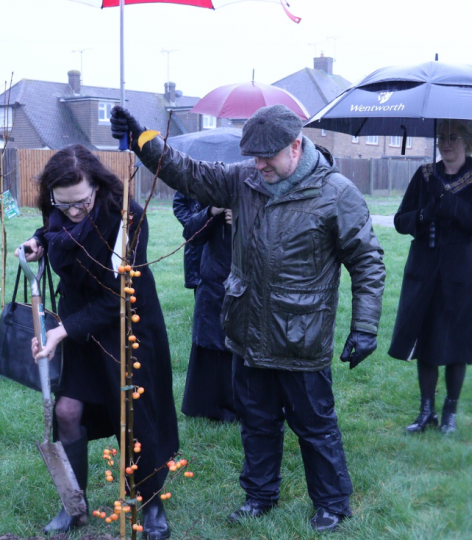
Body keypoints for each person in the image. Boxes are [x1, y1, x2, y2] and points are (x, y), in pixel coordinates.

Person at [111, 104, 385, 532]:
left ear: (296, 146)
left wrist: (365, 326)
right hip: (248, 332)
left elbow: (367, 260)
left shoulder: (336, 192)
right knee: (256, 422)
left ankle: (332, 504)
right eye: (253, 158)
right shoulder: (245, 180)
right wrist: (145, 141)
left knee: (315, 426)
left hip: (302, 338)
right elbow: (189, 173)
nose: (258, 166)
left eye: (267, 157)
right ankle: (259, 497)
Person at [16, 145, 179, 539]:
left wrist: (61, 331)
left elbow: (119, 295)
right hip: (77, 324)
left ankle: (151, 502)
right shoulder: (58, 205)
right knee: (68, 411)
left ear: (97, 186)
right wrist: (39, 241)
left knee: (135, 416)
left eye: (81, 203)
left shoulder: (127, 216)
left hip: (126, 324)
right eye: (63, 204)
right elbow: (57, 229)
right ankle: (73, 505)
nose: (73, 211)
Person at [388, 119, 472, 435]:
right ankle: (426, 412)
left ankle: (449, 412)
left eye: (453, 137)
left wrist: (448, 203)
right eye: (442, 137)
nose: (446, 143)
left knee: (455, 343)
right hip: (423, 269)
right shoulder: (424, 176)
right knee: (427, 340)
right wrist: (425, 214)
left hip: (459, 271)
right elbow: (400, 221)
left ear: (468, 141)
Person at [177, 196, 238, 422]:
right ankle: (208, 406)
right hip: (213, 276)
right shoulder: (209, 191)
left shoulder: (263, 187)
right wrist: (212, 210)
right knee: (211, 338)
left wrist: (243, 218)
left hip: (249, 276)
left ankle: (239, 405)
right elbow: (191, 234)